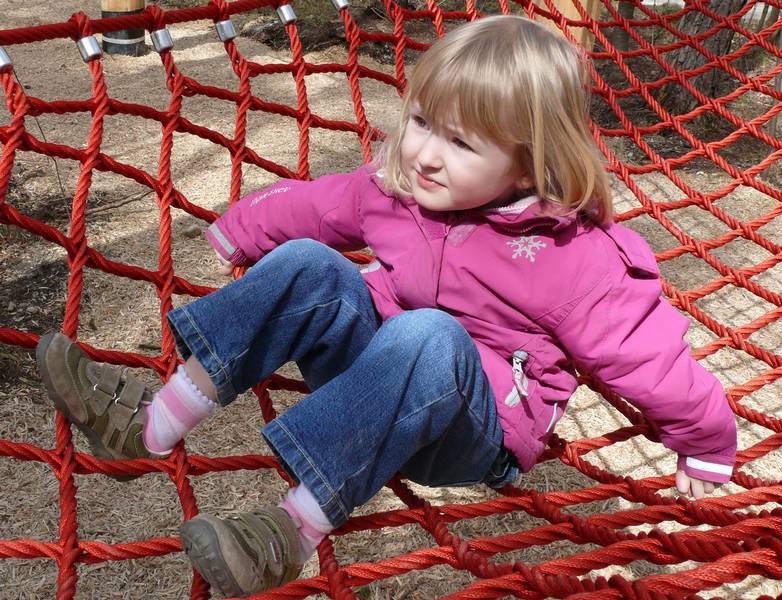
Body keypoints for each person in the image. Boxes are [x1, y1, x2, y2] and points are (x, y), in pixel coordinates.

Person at [35, 15, 737, 597]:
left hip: (471, 429)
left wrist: (706, 441)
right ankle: (152, 423)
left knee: (430, 334)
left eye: (460, 142)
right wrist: (242, 227)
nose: (426, 154)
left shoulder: (573, 255)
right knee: (313, 263)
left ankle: (288, 533)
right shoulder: (400, 189)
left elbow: (645, 357)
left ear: (529, 162)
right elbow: (318, 206)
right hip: (370, 379)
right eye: (423, 122)